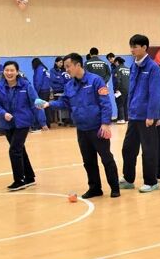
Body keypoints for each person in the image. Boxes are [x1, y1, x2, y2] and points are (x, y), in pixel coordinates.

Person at [42, 53, 119, 198]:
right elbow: (64, 103)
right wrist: (48, 104)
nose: (66, 70)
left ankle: (115, 187)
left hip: (98, 128)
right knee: (88, 161)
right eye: (65, 67)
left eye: (68, 66)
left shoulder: (96, 80)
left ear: (78, 65)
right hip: (82, 129)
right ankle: (95, 188)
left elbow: (105, 103)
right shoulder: (69, 85)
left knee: (106, 158)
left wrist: (105, 123)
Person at [120, 34, 160, 193]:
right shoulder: (133, 66)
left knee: (149, 150)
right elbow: (132, 91)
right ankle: (128, 179)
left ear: (144, 47)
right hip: (134, 115)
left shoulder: (153, 68)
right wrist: (129, 111)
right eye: (131, 46)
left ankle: (151, 182)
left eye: (135, 46)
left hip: (146, 117)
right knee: (128, 148)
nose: (132, 49)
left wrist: (151, 115)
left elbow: (155, 94)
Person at [0, 60, 43, 191]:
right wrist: (3, 113)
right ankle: (29, 177)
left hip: (23, 122)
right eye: (6, 70)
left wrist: (42, 121)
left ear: (17, 72)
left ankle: (19, 180)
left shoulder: (26, 85)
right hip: (7, 123)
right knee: (19, 149)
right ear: (3, 72)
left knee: (14, 150)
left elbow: (36, 102)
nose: (9, 73)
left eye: (12, 70)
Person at [31, 57, 53, 130]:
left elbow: (38, 81)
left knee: (40, 107)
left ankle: (41, 124)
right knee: (46, 107)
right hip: (47, 90)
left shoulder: (39, 69)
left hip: (41, 91)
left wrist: (36, 92)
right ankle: (48, 123)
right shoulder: (44, 69)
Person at [48, 56, 69, 126]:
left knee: (66, 104)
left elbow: (64, 80)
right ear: (56, 63)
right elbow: (53, 79)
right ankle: (59, 120)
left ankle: (66, 119)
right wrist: (60, 79)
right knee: (58, 105)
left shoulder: (64, 70)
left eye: (62, 62)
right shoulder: (52, 70)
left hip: (64, 90)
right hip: (57, 90)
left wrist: (59, 79)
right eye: (60, 62)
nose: (61, 64)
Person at [113, 53, 130, 124]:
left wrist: (116, 88)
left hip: (120, 89)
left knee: (120, 104)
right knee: (125, 104)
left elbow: (118, 80)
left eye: (115, 63)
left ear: (117, 62)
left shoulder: (117, 69)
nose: (114, 64)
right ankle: (126, 119)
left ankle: (121, 119)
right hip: (128, 89)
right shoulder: (128, 69)